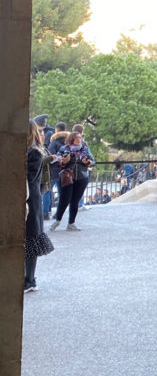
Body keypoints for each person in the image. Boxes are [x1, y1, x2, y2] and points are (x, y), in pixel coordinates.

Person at [25, 120, 54, 291]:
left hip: (32, 200)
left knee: (31, 240)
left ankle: (29, 280)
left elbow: (29, 178)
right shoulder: (31, 150)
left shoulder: (34, 152)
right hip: (31, 197)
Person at [49, 130, 94, 231]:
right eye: (77, 138)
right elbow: (56, 160)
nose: (79, 140)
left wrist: (88, 162)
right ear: (71, 139)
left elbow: (93, 161)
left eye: (80, 138)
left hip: (82, 177)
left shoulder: (85, 149)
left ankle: (71, 223)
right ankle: (57, 221)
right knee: (64, 199)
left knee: (75, 200)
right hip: (68, 177)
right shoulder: (64, 148)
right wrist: (63, 160)